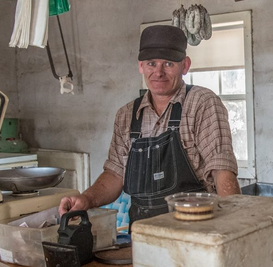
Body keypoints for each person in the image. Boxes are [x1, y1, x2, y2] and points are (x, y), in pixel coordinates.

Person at [59, 25, 241, 226]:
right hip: (143, 233)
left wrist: (233, 227)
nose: (158, 72)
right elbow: (115, 173)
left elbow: (222, 169)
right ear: (141, 66)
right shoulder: (126, 115)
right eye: (151, 63)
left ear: (185, 66)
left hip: (196, 230)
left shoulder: (202, 103)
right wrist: (86, 199)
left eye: (169, 64)